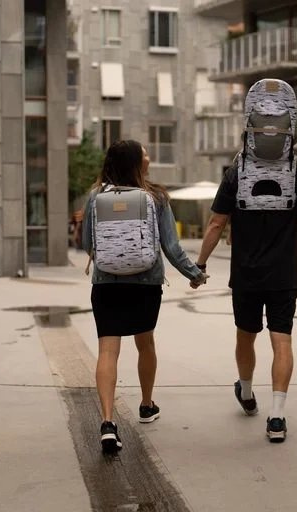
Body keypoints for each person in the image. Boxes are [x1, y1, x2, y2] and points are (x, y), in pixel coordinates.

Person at [193, 85, 297, 442]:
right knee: (282, 340)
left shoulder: (236, 173)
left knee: (245, 336)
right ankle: (277, 417)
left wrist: (200, 264)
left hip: (246, 275)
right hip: (283, 276)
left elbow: (216, 224)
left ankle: (247, 393)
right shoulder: (296, 175)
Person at [82, 140, 207, 454]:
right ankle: (147, 404)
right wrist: (194, 274)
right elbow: (171, 247)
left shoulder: (96, 196)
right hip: (145, 284)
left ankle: (107, 422)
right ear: (136, 163)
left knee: (107, 350)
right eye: (145, 153)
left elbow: (87, 243)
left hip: (106, 283)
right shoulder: (156, 197)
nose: (149, 157)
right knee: (145, 342)